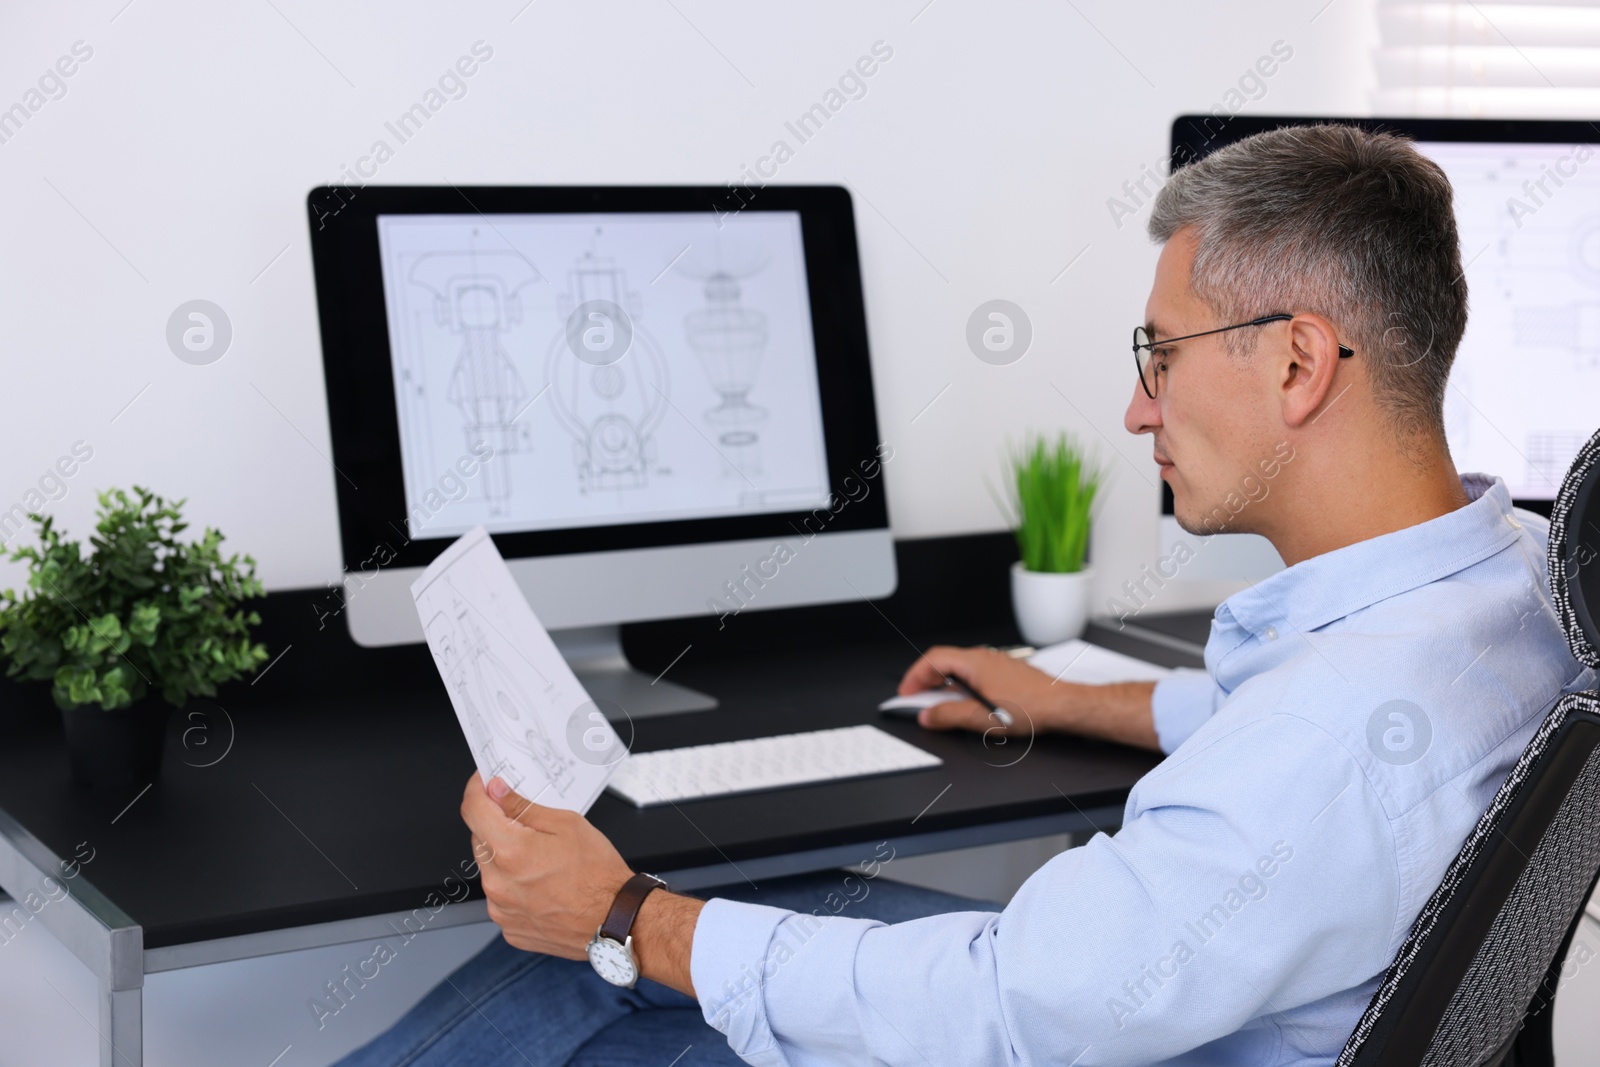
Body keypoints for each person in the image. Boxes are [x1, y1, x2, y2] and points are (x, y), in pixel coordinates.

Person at [335, 124, 1592, 1066]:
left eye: (1159, 354)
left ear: (1301, 362)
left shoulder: (1325, 740)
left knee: (583, 980)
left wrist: (623, 912)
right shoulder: (1512, 585)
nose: (1135, 407)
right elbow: (1317, 772)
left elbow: (1009, 1003)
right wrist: (1073, 698)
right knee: (694, 958)